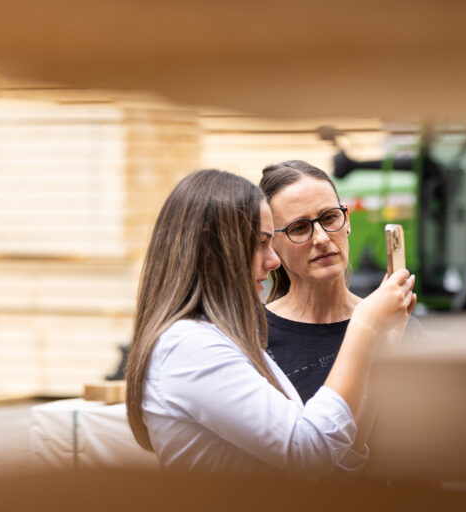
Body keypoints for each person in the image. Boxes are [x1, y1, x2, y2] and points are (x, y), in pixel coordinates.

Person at [125, 169, 415, 477]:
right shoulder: (191, 347)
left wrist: (381, 343)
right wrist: (364, 326)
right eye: (262, 243)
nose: (272, 259)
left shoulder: (226, 339)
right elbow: (311, 452)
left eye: (330, 218)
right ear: (214, 251)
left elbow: (332, 471)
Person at [260, 160, 418, 404]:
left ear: (348, 220)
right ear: (271, 243)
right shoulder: (254, 339)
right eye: (299, 228)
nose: (321, 238)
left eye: (329, 218)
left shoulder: (401, 327)